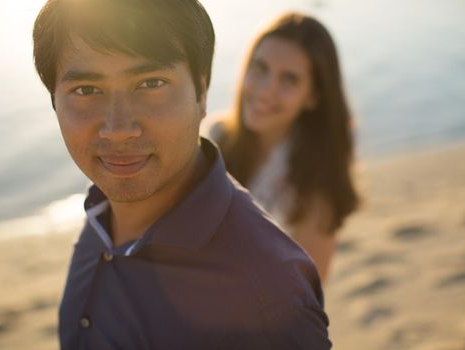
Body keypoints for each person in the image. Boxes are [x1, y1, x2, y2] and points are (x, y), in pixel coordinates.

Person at [33, 1, 331, 349]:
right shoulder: (101, 213)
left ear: (201, 93)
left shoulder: (268, 290)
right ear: (55, 101)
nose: (118, 129)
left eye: (151, 83)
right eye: (86, 90)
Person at [207, 13, 359, 282]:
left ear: (313, 96)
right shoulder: (215, 137)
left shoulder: (314, 193)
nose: (266, 90)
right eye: (260, 68)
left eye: (289, 79)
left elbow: (304, 302)